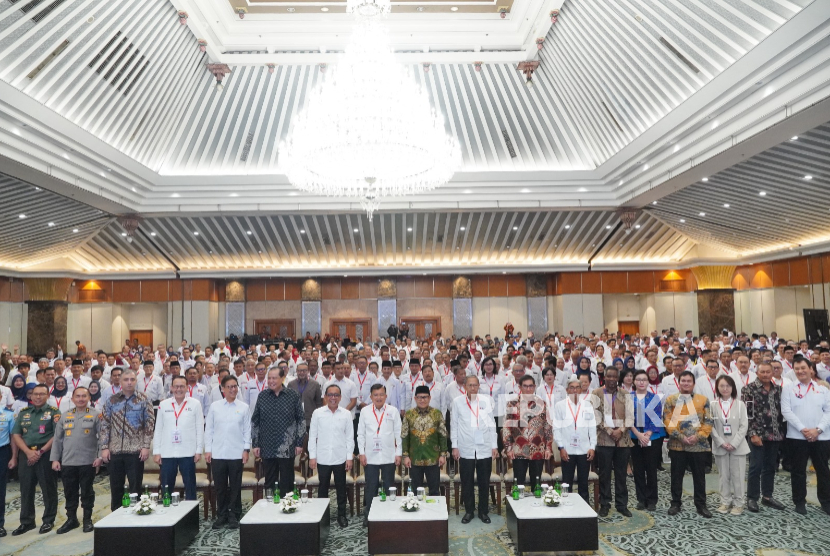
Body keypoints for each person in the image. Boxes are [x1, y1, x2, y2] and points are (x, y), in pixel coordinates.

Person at [100, 369, 155, 511]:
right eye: (126, 380)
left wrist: (145, 446)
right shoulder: (112, 400)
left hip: (135, 451)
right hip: (115, 450)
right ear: (120, 381)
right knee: (116, 487)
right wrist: (104, 447)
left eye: (132, 379)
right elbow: (105, 424)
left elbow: (149, 424)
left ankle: (136, 517)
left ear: (136, 381)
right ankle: (116, 517)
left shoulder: (144, 399)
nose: (129, 382)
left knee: (135, 487)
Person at [781, 358, 830, 515]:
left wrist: (818, 430)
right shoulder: (788, 388)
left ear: (811, 369)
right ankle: (799, 501)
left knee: (823, 470)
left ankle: (826, 502)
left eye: (803, 368)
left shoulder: (822, 389)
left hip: (821, 437)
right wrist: (803, 429)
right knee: (798, 470)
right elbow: (786, 411)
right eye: (797, 368)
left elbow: (829, 411)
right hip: (797, 436)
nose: (800, 371)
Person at [50, 387, 102, 534]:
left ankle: (87, 519)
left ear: (89, 398)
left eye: (84, 396)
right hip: (67, 461)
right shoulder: (65, 416)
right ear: (72, 399)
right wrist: (55, 459)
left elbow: (102, 438)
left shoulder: (96, 415)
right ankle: (71, 519)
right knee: (69, 492)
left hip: (88, 461)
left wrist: (99, 457)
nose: (80, 399)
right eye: (77, 396)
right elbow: (58, 440)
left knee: (87, 491)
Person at [10, 384, 59, 535]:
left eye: (42, 394)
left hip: (45, 453)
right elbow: (16, 434)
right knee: (26, 488)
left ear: (47, 396)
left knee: (48, 488)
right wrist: (26, 452)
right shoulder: (24, 413)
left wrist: (41, 451)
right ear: (30, 396)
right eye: (35, 394)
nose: (38, 397)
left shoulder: (54, 413)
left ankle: (48, 520)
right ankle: (27, 522)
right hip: (26, 453)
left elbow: (57, 435)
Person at [663, 371, 713, 518]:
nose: (686, 383)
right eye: (683, 381)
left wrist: (698, 436)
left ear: (693, 383)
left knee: (699, 476)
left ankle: (701, 505)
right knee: (676, 475)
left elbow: (708, 421)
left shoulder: (703, 400)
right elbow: (667, 420)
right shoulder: (671, 400)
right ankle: (675, 503)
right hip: (678, 444)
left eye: (688, 381)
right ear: (679, 383)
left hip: (698, 445)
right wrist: (680, 436)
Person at [205, 374, 251, 529]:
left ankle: (234, 514)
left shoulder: (243, 407)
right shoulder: (215, 407)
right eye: (229, 387)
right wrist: (208, 450)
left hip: (236, 453)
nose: (233, 389)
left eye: (235, 386)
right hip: (218, 453)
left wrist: (246, 449)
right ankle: (222, 514)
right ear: (222, 389)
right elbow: (209, 430)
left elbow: (247, 431)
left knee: (235, 486)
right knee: (220, 486)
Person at [251, 368, 305, 499]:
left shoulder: (293, 395)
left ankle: (288, 508)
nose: (271, 381)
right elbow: (255, 421)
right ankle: (271, 510)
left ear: (282, 378)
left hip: (287, 446)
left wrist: (299, 443)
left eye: (274, 378)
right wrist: (256, 444)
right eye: (269, 378)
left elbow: (301, 421)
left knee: (287, 480)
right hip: (267, 446)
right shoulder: (262, 396)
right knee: (270, 481)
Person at [451, 376, 498, 524]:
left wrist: (494, 446)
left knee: (484, 481)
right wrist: (454, 446)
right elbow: (454, 425)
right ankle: (469, 511)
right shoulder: (457, 402)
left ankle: (483, 511)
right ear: (465, 386)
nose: (472, 388)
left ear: (479, 386)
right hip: (466, 448)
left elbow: (492, 425)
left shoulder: (486, 401)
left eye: (475, 385)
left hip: (484, 447)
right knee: (467, 481)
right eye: (470, 385)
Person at [742, 361, 786, 512]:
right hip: (757, 435)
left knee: (770, 467)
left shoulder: (779, 390)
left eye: (769, 372)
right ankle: (752, 498)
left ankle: (767, 497)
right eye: (763, 372)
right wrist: (753, 434)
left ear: (773, 373)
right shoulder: (748, 389)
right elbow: (747, 414)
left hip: (775, 434)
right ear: (757, 372)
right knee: (755, 467)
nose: (766, 374)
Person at [308, 384, 354, 528]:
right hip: (323, 457)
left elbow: (349, 438)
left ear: (340, 397)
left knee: (341, 488)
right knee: (323, 488)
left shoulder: (346, 414)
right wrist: (312, 456)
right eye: (330, 395)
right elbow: (312, 436)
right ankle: (323, 516)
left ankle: (342, 515)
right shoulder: (318, 413)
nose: (333, 398)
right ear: (326, 397)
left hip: (340, 457)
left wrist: (349, 457)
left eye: (336, 395)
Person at [357, 383, 402, 526]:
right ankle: (369, 515)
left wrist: (399, 453)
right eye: (375, 395)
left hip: (389, 455)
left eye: (381, 394)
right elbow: (360, 434)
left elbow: (398, 434)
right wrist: (361, 453)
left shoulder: (393, 411)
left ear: (386, 396)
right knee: (371, 486)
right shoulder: (365, 411)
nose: (379, 397)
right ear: (371, 396)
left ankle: (389, 513)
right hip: (370, 456)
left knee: (389, 486)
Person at [153, 375, 204, 501]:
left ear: (187, 388)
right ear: (171, 388)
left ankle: (190, 517)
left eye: (182, 386)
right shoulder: (163, 405)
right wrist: (156, 452)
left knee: (190, 487)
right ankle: (167, 516)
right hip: (167, 452)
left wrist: (198, 450)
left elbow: (200, 428)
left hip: (188, 452)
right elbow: (158, 429)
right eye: (176, 386)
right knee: (166, 487)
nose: (179, 389)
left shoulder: (195, 404)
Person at [592, 367, 634, 517]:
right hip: (604, 440)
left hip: (623, 441)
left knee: (621, 474)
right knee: (604, 474)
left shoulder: (625, 394)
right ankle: (605, 503)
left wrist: (620, 431)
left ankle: (622, 504)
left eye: (614, 377)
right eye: (608, 376)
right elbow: (596, 417)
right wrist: (610, 431)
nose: (611, 379)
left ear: (618, 378)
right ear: (604, 377)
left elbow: (630, 417)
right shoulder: (596, 393)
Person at [502, 375, 552, 493]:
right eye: (525, 386)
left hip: (538, 449)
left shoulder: (542, 404)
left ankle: (536, 509)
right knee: (518, 484)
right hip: (519, 449)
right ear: (520, 387)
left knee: (537, 484)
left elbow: (548, 427)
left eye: (531, 386)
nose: (528, 389)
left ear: (534, 387)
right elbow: (507, 427)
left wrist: (548, 447)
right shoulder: (512, 404)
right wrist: (508, 448)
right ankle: (518, 508)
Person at [553, 375, 596, 503]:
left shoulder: (588, 405)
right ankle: (568, 508)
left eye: (578, 387)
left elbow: (592, 427)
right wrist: (561, 448)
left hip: (584, 450)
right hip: (567, 450)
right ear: (567, 390)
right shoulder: (560, 406)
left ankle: (585, 510)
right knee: (567, 483)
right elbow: (557, 429)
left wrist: (592, 447)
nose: (575, 390)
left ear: (581, 389)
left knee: (584, 483)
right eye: (572, 388)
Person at [710, 375, 749, 515]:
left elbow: (744, 426)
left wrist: (733, 443)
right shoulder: (713, 404)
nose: (725, 388)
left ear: (732, 387)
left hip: (738, 446)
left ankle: (739, 503)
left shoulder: (740, 404)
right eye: (722, 386)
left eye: (728, 386)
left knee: (738, 476)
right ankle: (725, 501)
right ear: (717, 388)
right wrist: (721, 442)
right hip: (720, 446)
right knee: (723, 476)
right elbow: (710, 426)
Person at [402, 385, 448, 497]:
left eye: (425, 397)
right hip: (414, 458)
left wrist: (443, 455)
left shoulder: (436, 414)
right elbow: (405, 436)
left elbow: (443, 435)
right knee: (415, 491)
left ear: (430, 398)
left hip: (433, 458)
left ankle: (435, 514)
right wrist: (406, 456)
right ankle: (416, 514)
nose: (422, 400)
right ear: (415, 398)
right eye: (420, 397)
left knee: (434, 491)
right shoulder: (409, 415)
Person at [630, 370, 663, 511]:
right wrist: (638, 435)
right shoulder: (628, 398)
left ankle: (651, 500)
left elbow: (657, 419)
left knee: (651, 469)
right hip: (634, 437)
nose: (641, 382)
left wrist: (647, 434)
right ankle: (641, 499)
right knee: (638, 469)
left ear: (648, 382)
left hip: (653, 437)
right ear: (634, 382)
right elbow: (627, 418)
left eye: (644, 379)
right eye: (638, 379)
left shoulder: (655, 398)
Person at [287, 362, 323, 441]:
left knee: (310, 443)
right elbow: (288, 403)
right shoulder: (291, 384)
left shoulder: (315, 384)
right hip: (295, 420)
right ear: (296, 371)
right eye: (300, 371)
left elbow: (319, 403)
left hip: (311, 419)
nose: (302, 373)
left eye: (304, 370)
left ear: (308, 371)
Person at [0, 397, 18, 537]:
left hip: (2, 452)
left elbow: (13, 437)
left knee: (0, 490)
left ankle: (0, 524)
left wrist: (13, 456)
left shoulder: (8, 415)